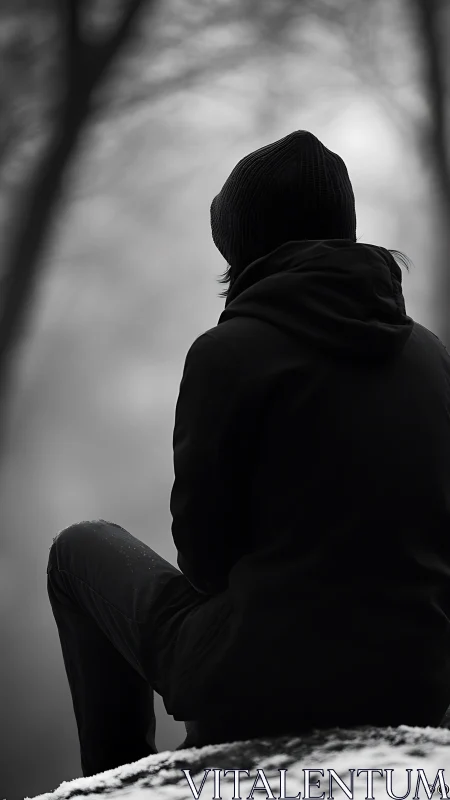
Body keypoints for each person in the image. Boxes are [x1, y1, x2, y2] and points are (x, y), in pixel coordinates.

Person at [48, 130, 450, 778]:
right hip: (417, 691)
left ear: (245, 248)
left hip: (263, 694)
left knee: (79, 550)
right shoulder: (433, 359)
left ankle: (116, 780)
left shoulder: (229, 352)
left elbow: (205, 561)